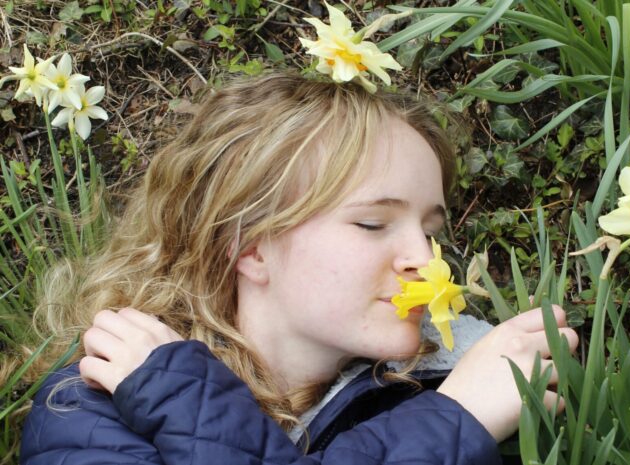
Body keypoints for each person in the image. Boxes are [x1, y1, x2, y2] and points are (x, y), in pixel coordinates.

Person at [19, 72, 578, 465]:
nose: (425, 259)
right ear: (251, 246)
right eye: (372, 224)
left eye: (430, 231)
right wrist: (455, 421)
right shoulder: (99, 400)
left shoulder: (435, 382)